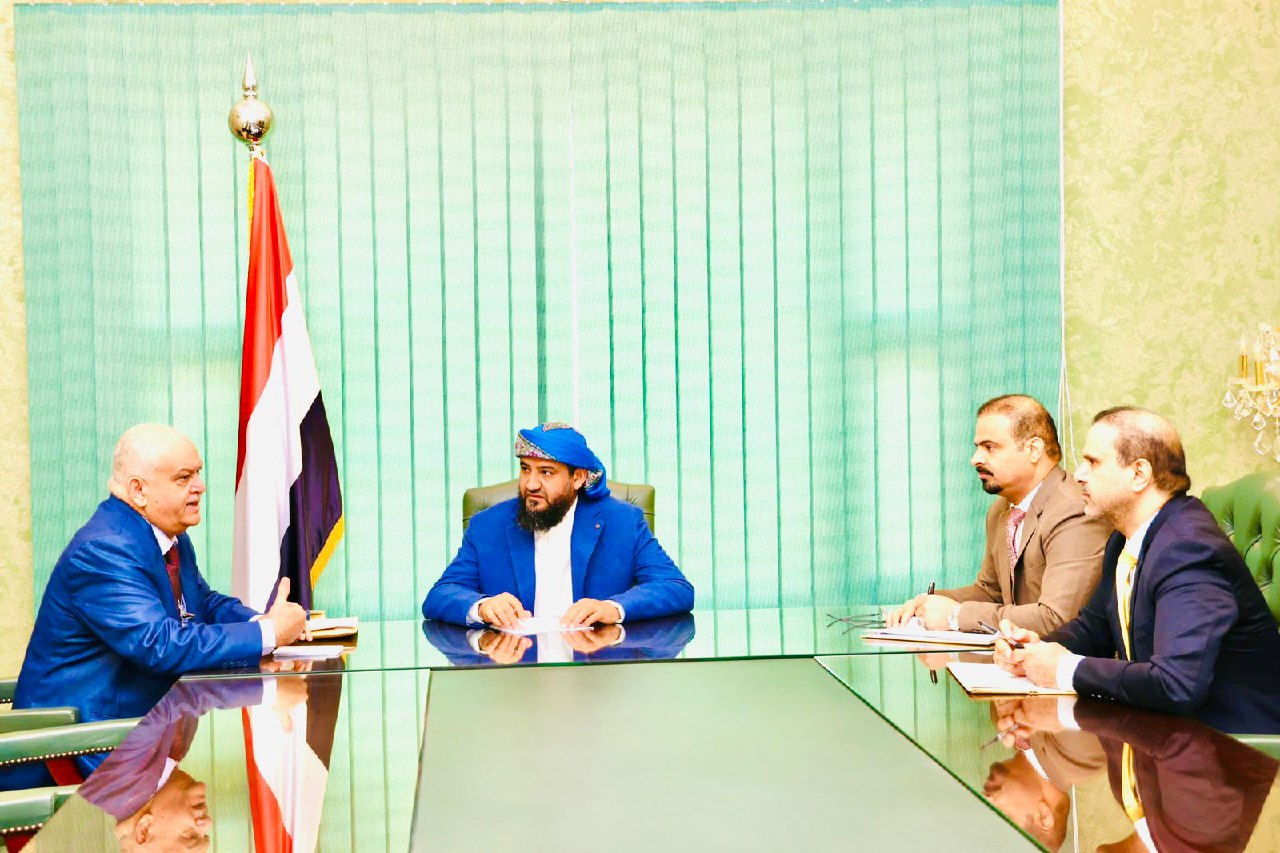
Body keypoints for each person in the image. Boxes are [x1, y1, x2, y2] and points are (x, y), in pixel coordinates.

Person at [995, 407, 1280, 733]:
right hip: (1163, 734)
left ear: (1139, 474)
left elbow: (1176, 684)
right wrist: (1035, 649)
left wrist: (1064, 669)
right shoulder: (1124, 539)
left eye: (1093, 462)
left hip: (1234, 747)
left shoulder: (1188, 548)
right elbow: (1093, 630)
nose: (1079, 475)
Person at [13, 424, 309, 723]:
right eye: (184, 477)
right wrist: (268, 634)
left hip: (149, 721)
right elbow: (159, 645)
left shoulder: (168, 535)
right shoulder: (105, 549)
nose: (200, 486)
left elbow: (202, 603)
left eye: (197, 473)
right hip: (83, 735)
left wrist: (264, 622)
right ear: (139, 490)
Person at [422, 422, 694, 628]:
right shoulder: (487, 525)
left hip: (597, 670)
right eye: (525, 469)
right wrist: (481, 607)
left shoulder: (623, 521)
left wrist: (613, 608)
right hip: (513, 671)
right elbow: (440, 595)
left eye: (546, 472)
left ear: (578, 478)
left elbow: (675, 587)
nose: (531, 484)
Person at [888, 395, 1110, 634]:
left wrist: (955, 615)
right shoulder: (1001, 509)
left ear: (1034, 450)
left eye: (990, 447)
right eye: (977, 447)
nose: (975, 459)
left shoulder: (1074, 510)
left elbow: (1057, 619)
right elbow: (991, 592)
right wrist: (927, 604)